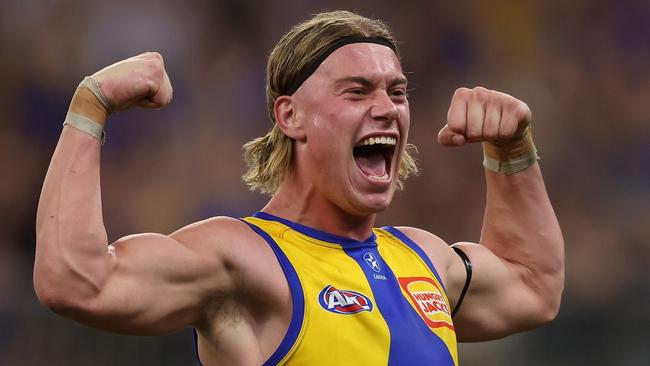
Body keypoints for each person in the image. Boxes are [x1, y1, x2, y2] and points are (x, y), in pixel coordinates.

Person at [34, 10, 564, 366]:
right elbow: (77, 283)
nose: (387, 108)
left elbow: (534, 287)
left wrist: (512, 152)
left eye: (397, 92)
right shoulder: (241, 260)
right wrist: (91, 106)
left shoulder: (424, 259)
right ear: (290, 115)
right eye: (356, 92)